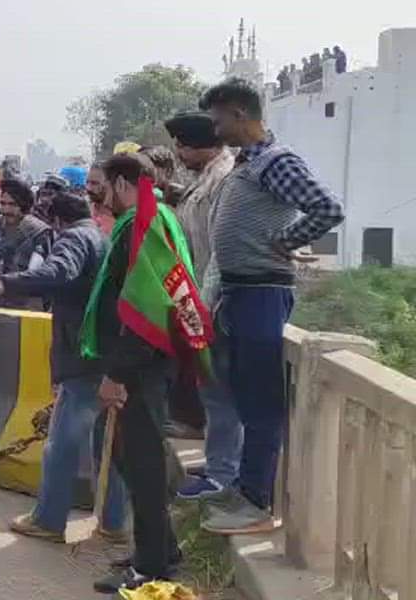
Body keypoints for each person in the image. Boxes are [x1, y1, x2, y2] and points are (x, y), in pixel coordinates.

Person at [198, 78, 343, 535]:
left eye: (218, 120)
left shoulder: (275, 161)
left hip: (262, 293)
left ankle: (257, 502)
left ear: (239, 114)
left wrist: (284, 240)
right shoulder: (250, 163)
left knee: (261, 404)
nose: (216, 130)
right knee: (244, 396)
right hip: (240, 293)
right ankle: (245, 487)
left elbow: (327, 209)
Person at [0, 191, 127, 546]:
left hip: (82, 357)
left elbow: (58, 271)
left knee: (61, 446)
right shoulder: (103, 237)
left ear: (56, 221)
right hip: (108, 355)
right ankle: (114, 521)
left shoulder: (73, 238)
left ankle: (49, 520)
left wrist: (5, 282)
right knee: (108, 446)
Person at [85, 153, 183, 594]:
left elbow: (144, 311)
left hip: (140, 368)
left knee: (144, 467)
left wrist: (118, 374)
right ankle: (161, 549)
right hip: (144, 364)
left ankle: (150, 567)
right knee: (133, 461)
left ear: (123, 185)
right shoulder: (153, 218)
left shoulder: (144, 224)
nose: (99, 196)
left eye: (104, 186)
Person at [164, 111, 240, 499]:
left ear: (198, 146)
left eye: (181, 145)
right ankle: (217, 463)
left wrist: (203, 309)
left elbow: (219, 254)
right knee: (210, 391)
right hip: (199, 299)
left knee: (219, 392)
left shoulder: (224, 179)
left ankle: (222, 475)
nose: (178, 153)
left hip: (214, 303)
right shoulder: (206, 179)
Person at [0, 177, 52, 310]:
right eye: (3, 204)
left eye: (13, 204)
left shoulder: (38, 233)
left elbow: (41, 275)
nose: (6, 209)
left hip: (26, 305)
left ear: (24, 205)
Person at [86, 165, 116, 236]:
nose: (88, 188)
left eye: (94, 183)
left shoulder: (124, 218)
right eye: (87, 182)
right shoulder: (84, 211)